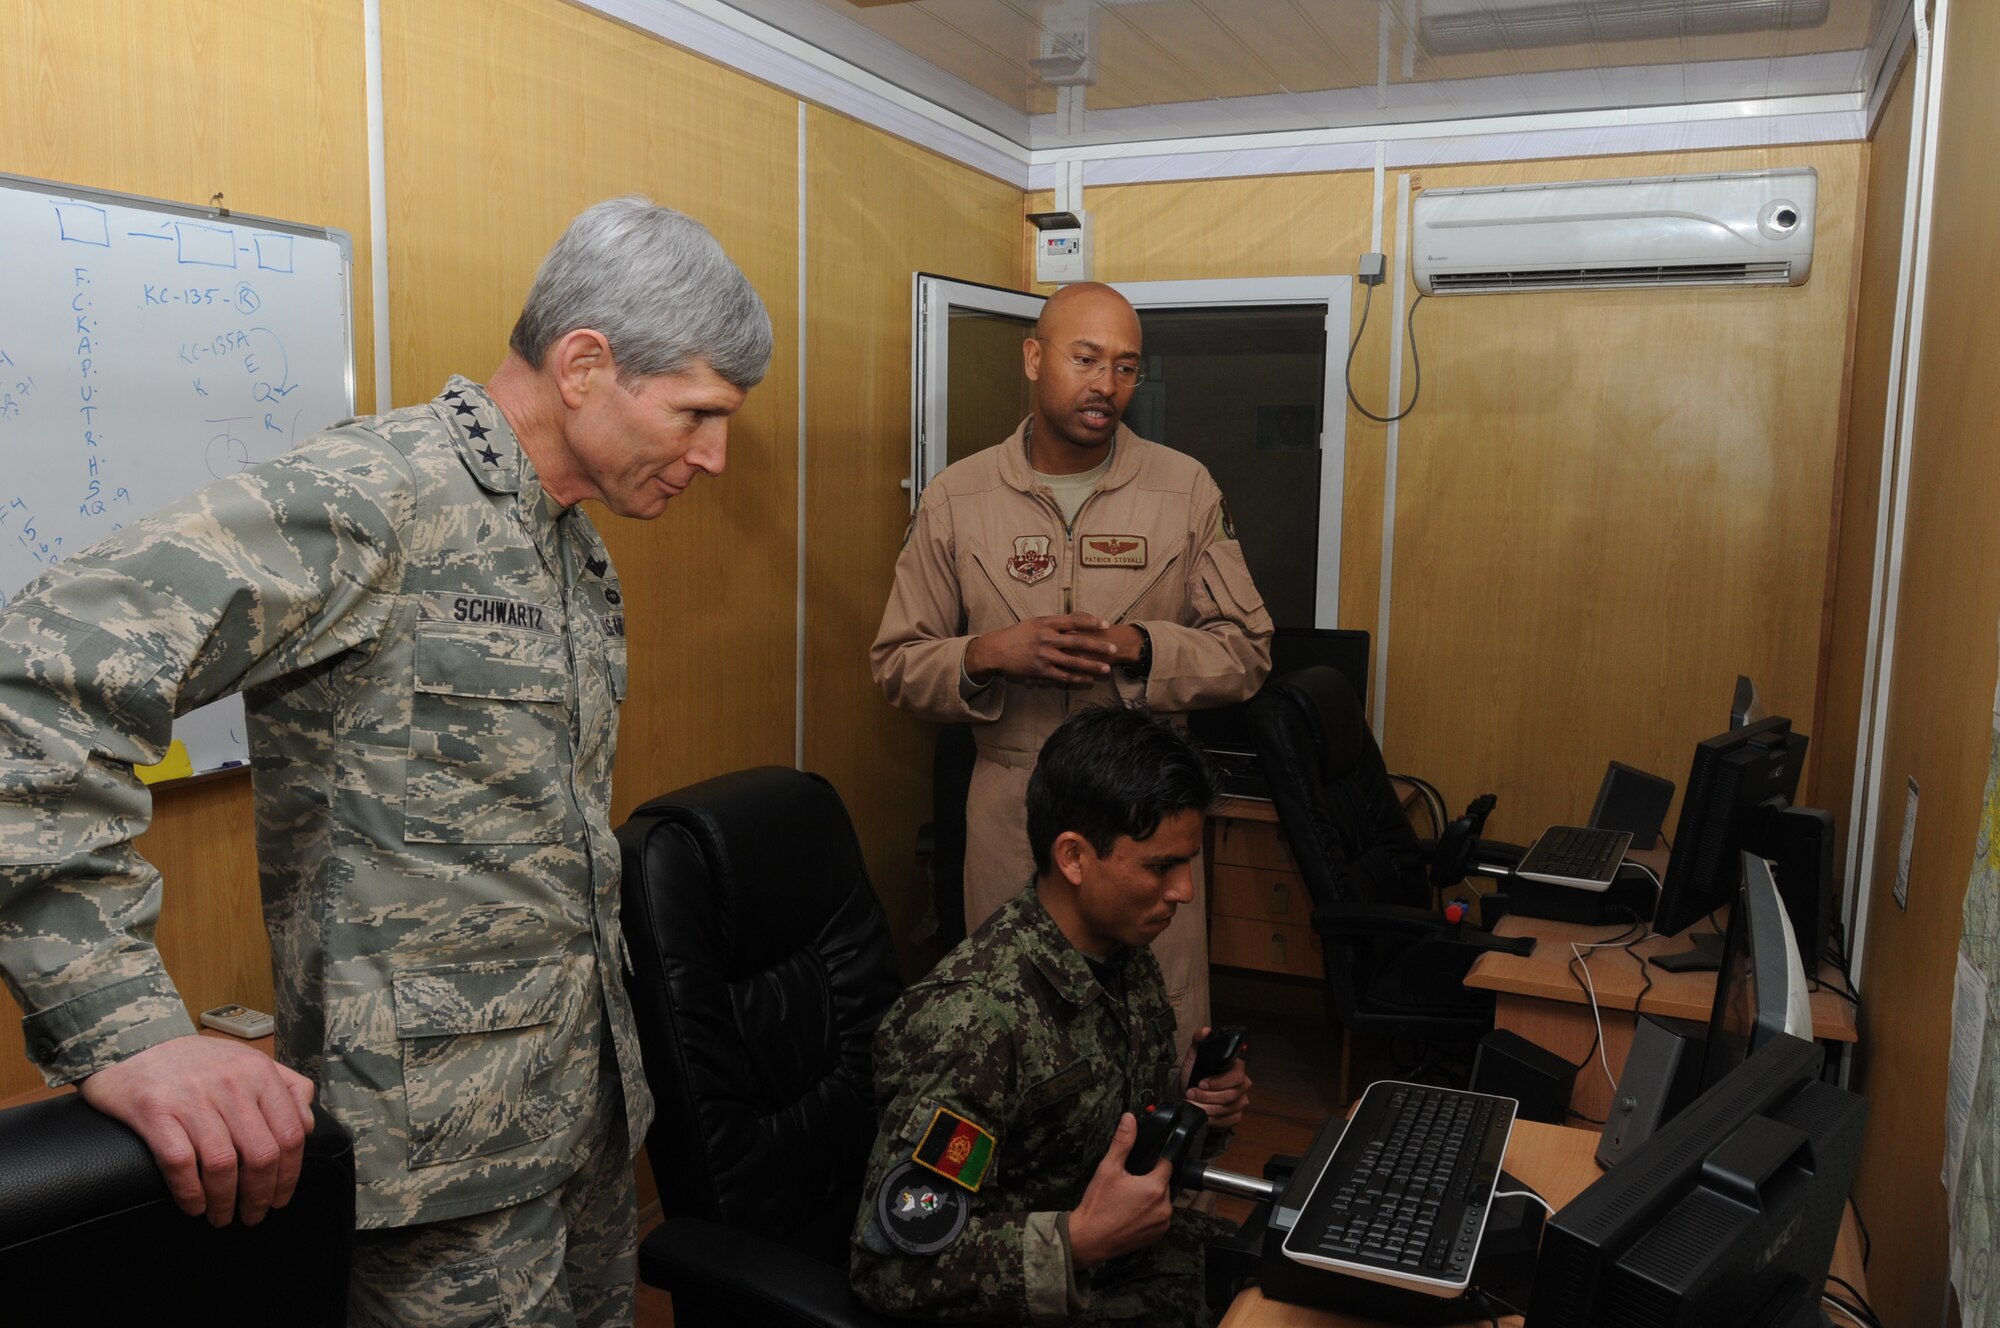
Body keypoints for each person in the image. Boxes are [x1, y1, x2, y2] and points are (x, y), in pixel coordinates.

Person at [0, 196, 771, 1326]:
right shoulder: (378, 497)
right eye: (696, 413)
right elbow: (36, 678)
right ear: (584, 364)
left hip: (584, 1124)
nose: (711, 456)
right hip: (437, 1171)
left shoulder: (569, 542)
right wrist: (130, 1029)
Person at [871, 281, 1273, 1052]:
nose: (1106, 385)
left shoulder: (1184, 489)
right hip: (1010, 809)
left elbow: (1246, 652)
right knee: (1015, 1031)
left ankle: (1159, 1174)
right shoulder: (958, 497)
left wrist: (1141, 648)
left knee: (1160, 1025)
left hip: (1145, 816)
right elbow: (897, 663)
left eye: (1127, 367)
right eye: (1086, 358)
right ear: (1033, 357)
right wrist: (989, 654)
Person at [850, 704, 1252, 1326]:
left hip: (1132, 1269)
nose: (1184, 892)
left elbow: (1090, 1136)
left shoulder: (1119, 950)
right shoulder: (975, 1023)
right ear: (1073, 857)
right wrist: (1077, 1241)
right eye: (1160, 867)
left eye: (1187, 864)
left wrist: (1188, 1101)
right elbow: (891, 1268)